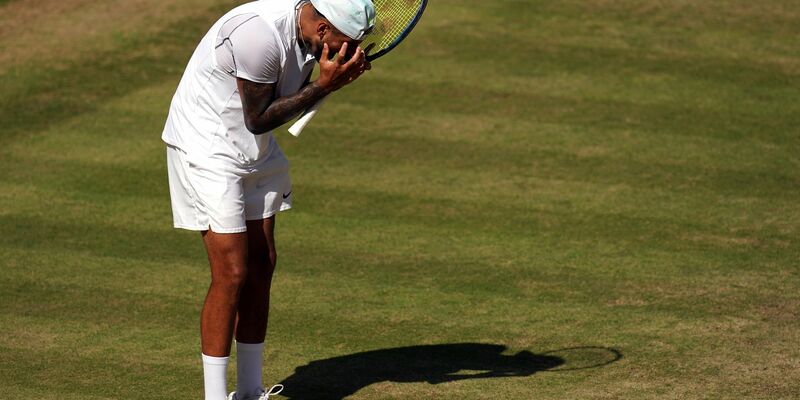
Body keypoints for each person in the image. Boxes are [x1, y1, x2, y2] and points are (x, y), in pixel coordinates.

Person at [161, 0, 375, 398]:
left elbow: (274, 113)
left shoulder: (312, 35)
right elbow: (258, 117)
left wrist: (329, 82)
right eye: (342, 44)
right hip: (207, 147)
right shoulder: (257, 36)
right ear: (324, 28)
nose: (343, 52)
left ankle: (250, 390)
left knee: (263, 264)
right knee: (233, 272)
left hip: (255, 149)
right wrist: (324, 85)